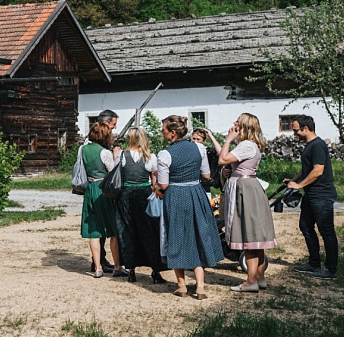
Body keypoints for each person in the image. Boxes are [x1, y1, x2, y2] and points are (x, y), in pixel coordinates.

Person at [156, 115, 223, 299]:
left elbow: (163, 185)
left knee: (177, 235)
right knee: (197, 234)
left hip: (176, 196)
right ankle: (200, 286)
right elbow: (207, 174)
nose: (162, 133)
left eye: (163, 130)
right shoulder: (199, 148)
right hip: (196, 193)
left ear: (172, 133)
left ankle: (182, 285)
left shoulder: (165, 154)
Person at [218, 114, 277, 292]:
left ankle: (251, 281)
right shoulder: (251, 145)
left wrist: (228, 140)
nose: (234, 123)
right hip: (249, 185)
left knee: (248, 235)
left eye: (237, 121)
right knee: (254, 233)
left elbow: (222, 159)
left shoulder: (246, 145)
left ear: (244, 126)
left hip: (244, 189)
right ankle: (259, 277)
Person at [287, 115, 338, 280]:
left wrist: (299, 186)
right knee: (305, 226)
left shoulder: (318, 145)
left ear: (306, 128)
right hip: (311, 194)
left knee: (326, 230)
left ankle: (330, 269)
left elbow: (318, 170)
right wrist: (294, 181)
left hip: (321, 195)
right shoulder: (309, 146)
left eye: (296, 130)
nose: (294, 133)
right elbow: (307, 169)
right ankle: (314, 263)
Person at [113, 127, 165, 283]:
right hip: (143, 194)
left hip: (126, 195)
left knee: (128, 231)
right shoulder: (150, 157)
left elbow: (117, 176)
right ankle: (156, 270)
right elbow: (155, 181)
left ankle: (131, 270)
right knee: (149, 232)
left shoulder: (122, 156)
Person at [81, 121, 125, 278]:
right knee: (112, 230)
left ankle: (98, 267)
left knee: (94, 229)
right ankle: (117, 266)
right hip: (102, 189)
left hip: (90, 188)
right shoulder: (104, 152)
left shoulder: (83, 149)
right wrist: (116, 156)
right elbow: (112, 172)